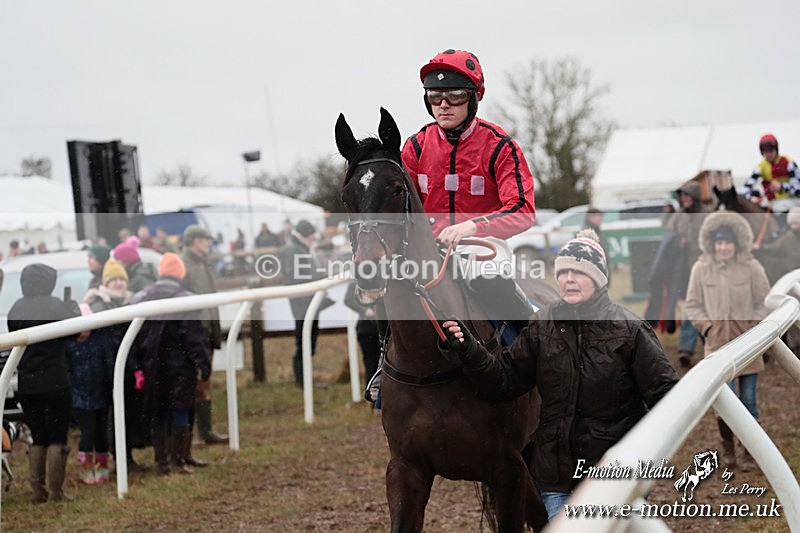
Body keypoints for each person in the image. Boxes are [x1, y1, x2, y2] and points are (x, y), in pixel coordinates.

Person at [439, 230, 678, 521]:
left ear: (599, 278)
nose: (569, 279)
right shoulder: (542, 325)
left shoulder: (630, 330)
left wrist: (643, 456)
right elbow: (504, 380)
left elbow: (668, 399)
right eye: (563, 272)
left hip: (615, 474)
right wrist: (471, 350)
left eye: (579, 272)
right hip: (556, 477)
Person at [364, 49, 537, 404]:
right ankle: (385, 368)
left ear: (474, 98)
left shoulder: (499, 145)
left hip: (482, 246)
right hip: (425, 248)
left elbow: (523, 210)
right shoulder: (413, 147)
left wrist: (474, 228)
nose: (444, 104)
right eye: (435, 97)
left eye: (455, 96)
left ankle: (539, 358)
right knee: (388, 293)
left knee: (493, 283)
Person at [685, 212, 771, 471]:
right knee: (724, 403)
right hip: (717, 348)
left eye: (728, 243)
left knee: (748, 401)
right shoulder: (700, 269)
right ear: (712, 244)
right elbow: (692, 305)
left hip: (748, 347)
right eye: (719, 243)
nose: (723, 248)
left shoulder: (752, 268)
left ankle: (750, 452)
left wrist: (752, 327)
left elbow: (764, 303)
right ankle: (729, 450)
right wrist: (708, 327)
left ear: (737, 245)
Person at [130, 253, 212, 474]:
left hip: (150, 364)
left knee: (158, 412)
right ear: (181, 273)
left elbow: (133, 338)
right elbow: (193, 337)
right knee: (180, 410)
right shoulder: (186, 299)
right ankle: (179, 459)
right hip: (179, 366)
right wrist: (204, 364)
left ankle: (161, 461)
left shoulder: (141, 297)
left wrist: (137, 365)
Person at [7, 264, 81, 502]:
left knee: (38, 437)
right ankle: (56, 492)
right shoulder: (55, 305)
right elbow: (75, 331)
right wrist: (72, 308)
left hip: (28, 384)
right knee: (57, 437)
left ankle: (37, 491)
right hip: (55, 381)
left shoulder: (17, 307)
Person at [66, 258, 134, 484]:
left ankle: (102, 469)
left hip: (101, 393)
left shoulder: (101, 341)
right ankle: (86, 470)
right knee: (87, 433)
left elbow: (109, 363)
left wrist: (113, 384)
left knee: (101, 434)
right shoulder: (70, 345)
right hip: (80, 396)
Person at [180, 225, 227, 446]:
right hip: (195, 334)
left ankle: (205, 431)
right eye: (205, 239)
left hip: (207, 331)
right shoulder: (185, 265)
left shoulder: (202, 263)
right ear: (194, 241)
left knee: (205, 382)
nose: (209, 243)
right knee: (196, 384)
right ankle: (194, 434)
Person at [667, 180, 712, 368]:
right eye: (681, 196)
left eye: (686, 195)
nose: (683, 199)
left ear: (694, 197)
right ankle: (694, 346)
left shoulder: (708, 216)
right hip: (685, 272)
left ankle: (691, 347)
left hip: (707, 270)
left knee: (701, 309)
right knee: (693, 308)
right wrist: (678, 241)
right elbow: (668, 238)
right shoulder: (678, 217)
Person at [282, 220, 323, 386]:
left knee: (308, 343)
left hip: (308, 303)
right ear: (305, 234)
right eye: (311, 234)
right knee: (304, 343)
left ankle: (306, 380)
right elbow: (294, 279)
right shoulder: (293, 249)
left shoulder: (300, 247)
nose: (314, 237)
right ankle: (303, 382)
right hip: (303, 306)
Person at [743, 134, 800, 203]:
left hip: (793, 201)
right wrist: (750, 197)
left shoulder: (788, 163)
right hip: (772, 203)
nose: (769, 154)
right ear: (762, 152)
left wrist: (781, 187)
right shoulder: (760, 167)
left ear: (776, 149)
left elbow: (798, 189)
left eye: (771, 151)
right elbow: (745, 188)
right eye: (766, 152)